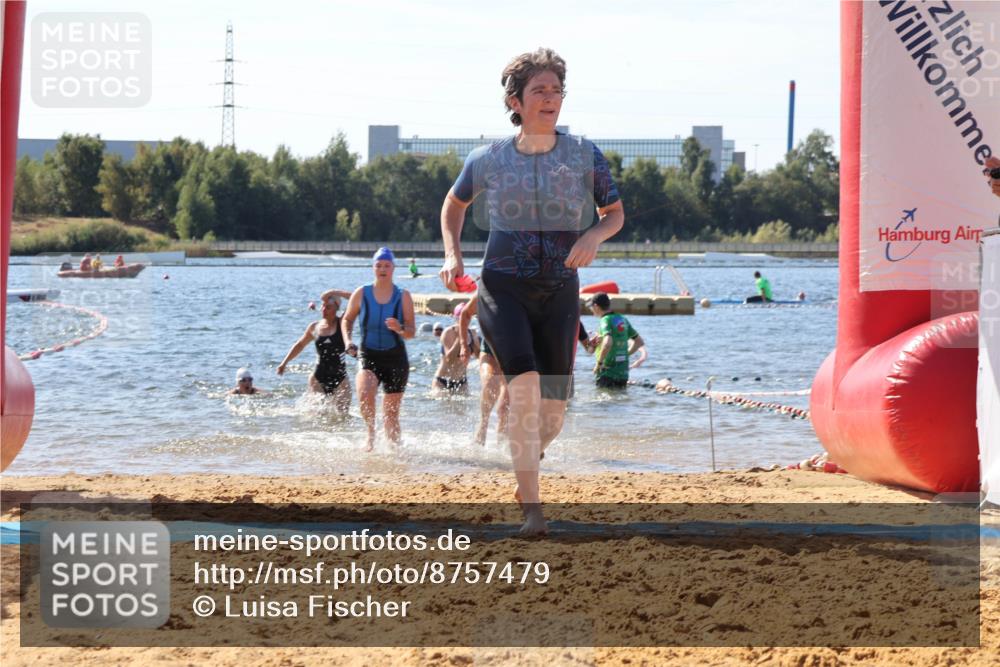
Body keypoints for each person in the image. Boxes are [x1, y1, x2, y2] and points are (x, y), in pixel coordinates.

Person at [439, 48, 625, 533]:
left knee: (554, 414)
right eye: (539, 90)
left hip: (561, 290)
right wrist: (452, 254)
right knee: (522, 390)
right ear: (515, 101)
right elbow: (453, 206)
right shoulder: (490, 158)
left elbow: (615, 215)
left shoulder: (584, 154)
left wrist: (592, 236)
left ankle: (527, 467)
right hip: (503, 287)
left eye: (556, 90)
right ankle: (533, 512)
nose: (551, 98)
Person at [342, 247, 416, 451]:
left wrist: (400, 328)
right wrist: (348, 340)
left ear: (393, 268)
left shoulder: (403, 296)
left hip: (396, 358)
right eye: (378, 265)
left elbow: (411, 332)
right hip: (369, 354)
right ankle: (370, 435)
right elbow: (347, 319)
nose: (382, 269)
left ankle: (394, 450)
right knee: (365, 394)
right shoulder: (362, 293)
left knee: (391, 413)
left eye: (387, 265)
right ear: (373, 267)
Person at [276, 289, 354, 413]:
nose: (324, 309)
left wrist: (333, 292)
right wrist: (284, 363)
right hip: (318, 378)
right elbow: (300, 345)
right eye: (323, 306)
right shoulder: (314, 327)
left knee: (343, 417)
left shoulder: (343, 324)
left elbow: (356, 299)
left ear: (336, 309)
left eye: (328, 307)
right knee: (318, 416)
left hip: (340, 378)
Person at [586, 293, 646, 389]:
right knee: (619, 401)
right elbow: (639, 342)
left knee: (604, 401)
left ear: (596, 306)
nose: (591, 310)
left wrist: (599, 363)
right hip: (623, 373)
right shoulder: (622, 319)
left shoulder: (605, 320)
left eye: (591, 307)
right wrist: (624, 354)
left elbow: (608, 342)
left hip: (607, 372)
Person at [433, 302, 479, 394]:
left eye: (467, 318)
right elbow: (449, 359)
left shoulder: (472, 333)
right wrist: (460, 338)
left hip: (462, 382)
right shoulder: (448, 332)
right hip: (442, 381)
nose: (464, 321)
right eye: (461, 318)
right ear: (456, 318)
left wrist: (474, 342)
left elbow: (478, 356)